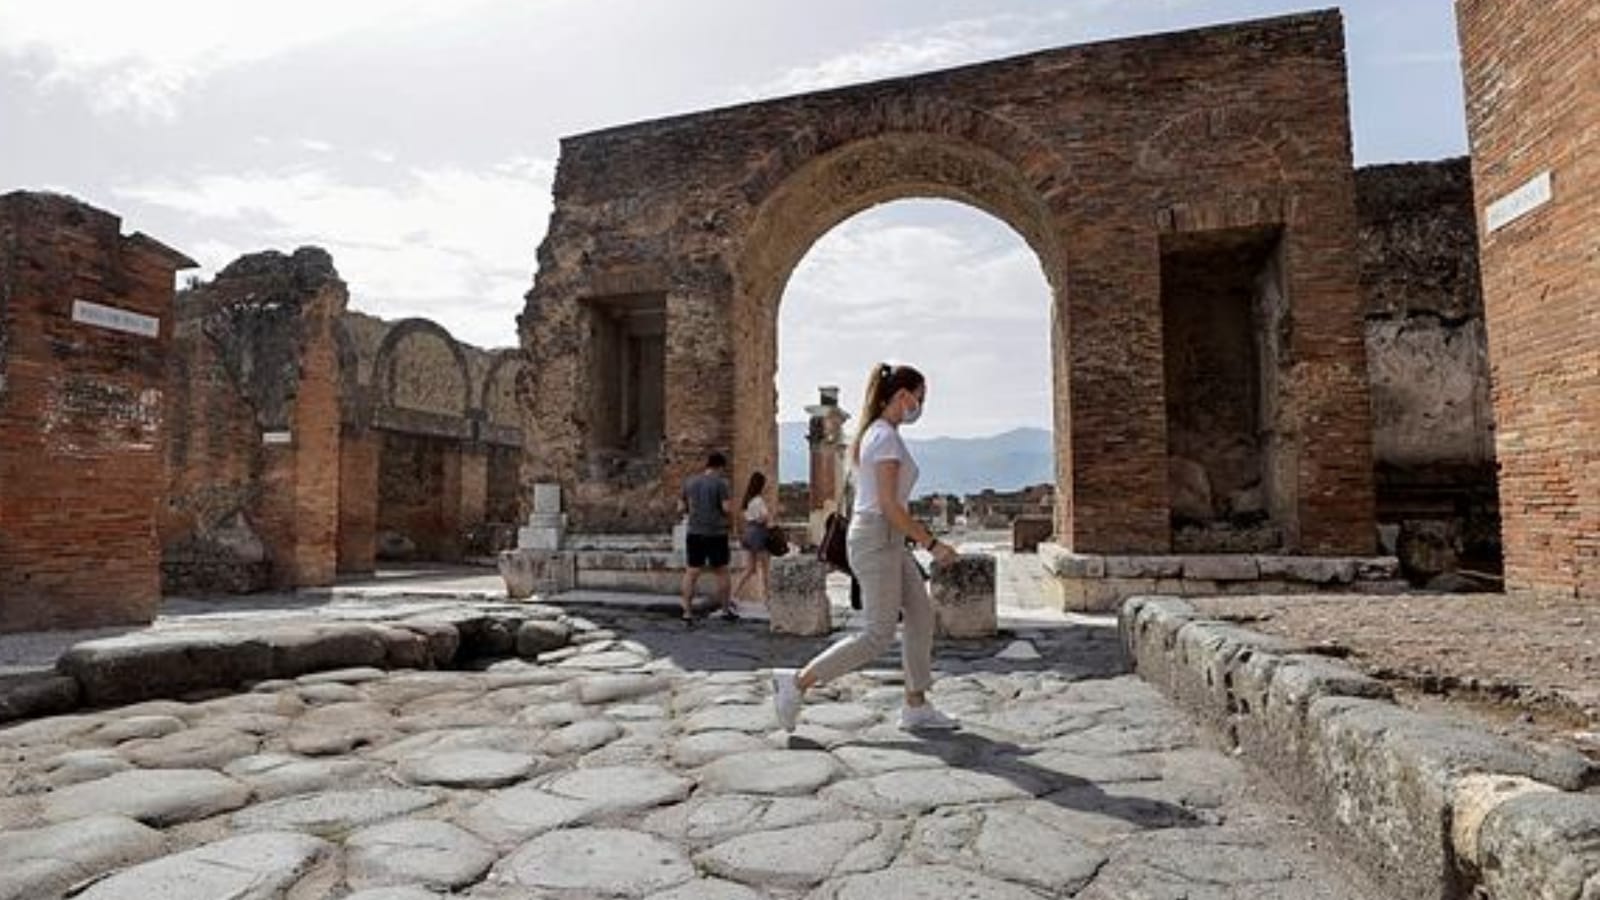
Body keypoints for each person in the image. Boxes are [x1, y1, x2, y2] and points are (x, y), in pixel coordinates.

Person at [772, 363, 959, 732]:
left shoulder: (879, 433)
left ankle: (915, 705)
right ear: (902, 396)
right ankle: (795, 685)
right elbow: (889, 505)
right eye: (920, 397)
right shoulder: (884, 438)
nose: (921, 405)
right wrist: (932, 544)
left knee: (920, 613)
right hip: (877, 537)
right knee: (877, 634)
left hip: (887, 538)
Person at [680, 452, 736, 625]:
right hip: (716, 533)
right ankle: (725, 610)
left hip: (694, 532)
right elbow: (726, 508)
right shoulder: (721, 483)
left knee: (691, 572)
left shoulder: (690, 482)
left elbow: (681, 507)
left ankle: (687, 612)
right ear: (720, 467)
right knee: (722, 572)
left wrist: (694, 514)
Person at [733, 471, 772, 607]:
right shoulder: (759, 500)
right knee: (766, 568)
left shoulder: (747, 501)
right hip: (758, 533)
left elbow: (745, 517)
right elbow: (764, 518)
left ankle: (734, 594)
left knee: (750, 569)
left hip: (748, 533)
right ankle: (767, 600)